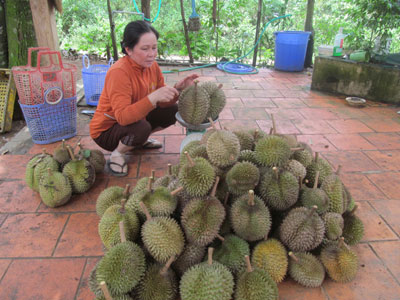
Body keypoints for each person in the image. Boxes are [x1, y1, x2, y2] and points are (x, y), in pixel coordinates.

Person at [89, 20, 198, 176]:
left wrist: (177, 89)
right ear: (128, 49)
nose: (152, 54)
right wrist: (153, 98)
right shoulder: (119, 72)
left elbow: (162, 100)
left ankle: (138, 140)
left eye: (154, 48)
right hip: (106, 131)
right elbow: (123, 117)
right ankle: (118, 153)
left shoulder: (152, 66)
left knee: (172, 111)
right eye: (145, 49)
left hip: (136, 119)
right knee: (141, 128)